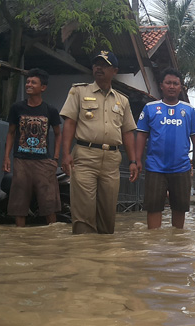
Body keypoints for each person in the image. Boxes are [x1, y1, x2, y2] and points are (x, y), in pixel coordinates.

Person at [60, 50, 139, 234]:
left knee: (108, 215)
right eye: (96, 64)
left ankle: (103, 257)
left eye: (104, 65)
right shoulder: (78, 91)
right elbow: (69, 123)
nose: (99, 68)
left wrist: (134, 161)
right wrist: (65, 154)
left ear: (115, 71)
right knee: (83, 212)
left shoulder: (122, 100)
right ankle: (83, 254)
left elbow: (127, 132)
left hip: (112, 160)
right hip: (85, 156)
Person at [135, 67, 195, 229]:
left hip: (181, 168)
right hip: (155, 167)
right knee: (154, 207)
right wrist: (136, 160)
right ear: (161, 85)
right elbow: (141, 134)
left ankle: (177, 244)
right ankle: (153, 243)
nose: (172, 86)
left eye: (175, 83)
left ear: (180, 87)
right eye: (168, 83)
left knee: (180, 208)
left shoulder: (188, 111)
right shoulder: (150, 108)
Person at [3, 68, 61, 227]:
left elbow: (58, 134)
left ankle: (51, 236)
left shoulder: (50, 110)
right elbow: (11, 133)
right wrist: (7, 157)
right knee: (19, 205)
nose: (28, 85)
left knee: (49, 204)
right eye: (27, 82)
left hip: (43, 162)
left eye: (33, 82)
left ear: (43, 87)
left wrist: (55, 159)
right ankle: (19, 237)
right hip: (21, 161)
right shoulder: (17, 108)